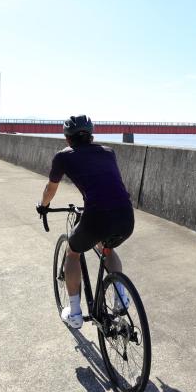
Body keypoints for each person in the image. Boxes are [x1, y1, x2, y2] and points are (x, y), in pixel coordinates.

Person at [36, 115, 134, 329]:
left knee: (73, 252)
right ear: (91, 135)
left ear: (67, 138)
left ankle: (75, 312)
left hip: (97, 216)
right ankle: (121, 297)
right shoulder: (109, 152)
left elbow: (51, 189)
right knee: (106, 248)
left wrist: (43, 205)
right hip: (126, 216)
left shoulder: (63, 157)